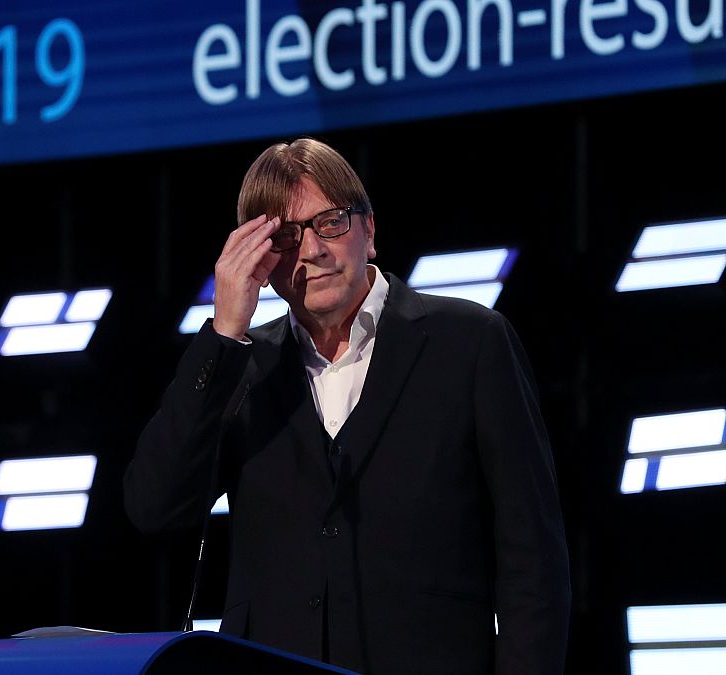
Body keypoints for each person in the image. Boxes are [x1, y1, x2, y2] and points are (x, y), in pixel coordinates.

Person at [123, 138, 570, 673]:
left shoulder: (471, 342)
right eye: (285, 237)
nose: (312, 250)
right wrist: (222, 335)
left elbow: (533, 565)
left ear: (370, 231)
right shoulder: (239, 367)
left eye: (331, 222)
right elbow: (154, 508)